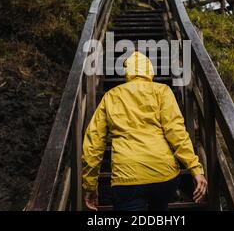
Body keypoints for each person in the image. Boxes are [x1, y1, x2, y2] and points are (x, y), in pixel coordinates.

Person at [82, 51, 207, 211]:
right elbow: (177, 133)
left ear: (127, 71)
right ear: (150, 69)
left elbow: (94, 143)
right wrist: (195, 169)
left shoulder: (111, 96)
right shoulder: (162, 91)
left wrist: (90, 185)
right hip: (164, 176)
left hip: (126, 178)